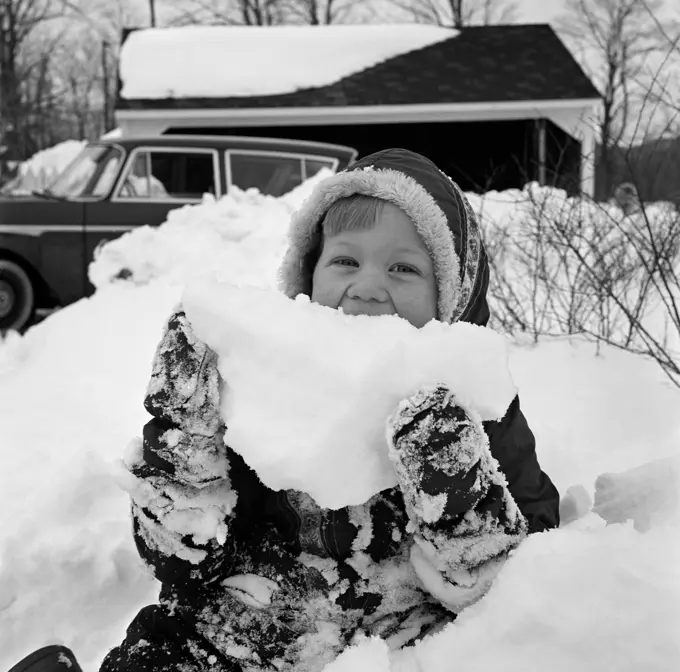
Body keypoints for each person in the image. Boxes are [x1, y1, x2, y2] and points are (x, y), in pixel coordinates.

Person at [99, 148, 560, 672]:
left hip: (401, 640)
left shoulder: (477, 406)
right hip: (248, 626)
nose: (365, 288)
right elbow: (184, 566)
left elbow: (529, 566)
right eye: (344, 261)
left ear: (451, 300)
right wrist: (184, 462)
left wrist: (460, 501)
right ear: (306, 276)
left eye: (404, 268)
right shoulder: (259, 380)